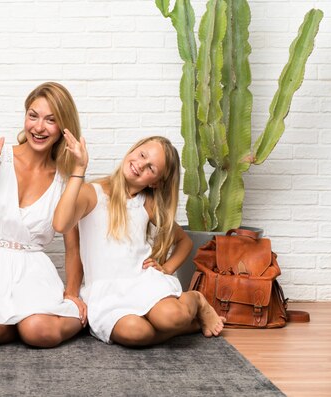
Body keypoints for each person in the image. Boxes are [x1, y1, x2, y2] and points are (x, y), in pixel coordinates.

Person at [53, 133, 225, 346]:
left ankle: (197, 300)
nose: (140, 165)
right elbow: (60, 224)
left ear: (155, 183)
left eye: (151, 168)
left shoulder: (147, 205)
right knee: (135, 333)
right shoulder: (91, 193)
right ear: (134, 149)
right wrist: (79, 169)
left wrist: (167, 268)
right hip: (106, 293)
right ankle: (188, 327)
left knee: (172, 317)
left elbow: (184, 242)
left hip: (143, 283)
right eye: (142, 155)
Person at [0, 82, 87, 348]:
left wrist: (72, 293)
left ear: (64, 127)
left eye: (51, 120)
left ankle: (62, 319)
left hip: (30, 272)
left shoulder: (65, 178)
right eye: (33, 116)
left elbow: (73, 245)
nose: (38, 127)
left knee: (39, 332)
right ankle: (22, 326)